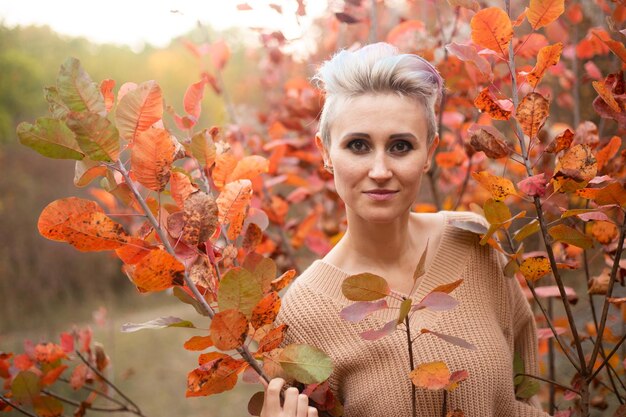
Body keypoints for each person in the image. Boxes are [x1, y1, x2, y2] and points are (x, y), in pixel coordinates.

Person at [260, 42, 549, 417]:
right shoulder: (302, 314)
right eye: (358, 145)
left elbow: (524, 395)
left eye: (400, 146)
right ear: (326, 152)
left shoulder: (473, 239)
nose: (380, 171)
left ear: (429, 152)